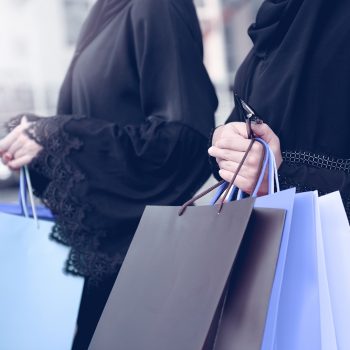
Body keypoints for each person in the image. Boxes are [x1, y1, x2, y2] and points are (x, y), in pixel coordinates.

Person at [0, 0, 217, 348]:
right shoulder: (105, 11)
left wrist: (56, 135)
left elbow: (183, 141)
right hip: (106, 272)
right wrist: (43, 142)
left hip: (143, 279)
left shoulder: (157, 7)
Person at [209, 0, 350, 218]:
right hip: (267, 238)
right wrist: (226, 141)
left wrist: (282, 177)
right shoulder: (277, 23)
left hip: (332, 246)